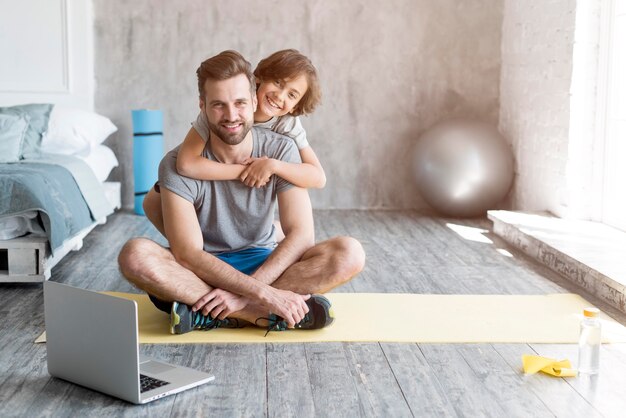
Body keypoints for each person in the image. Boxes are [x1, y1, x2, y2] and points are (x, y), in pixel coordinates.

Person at [118, 50, 365, 335]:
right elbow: (188, 254)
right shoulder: (178, 164)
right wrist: (266, 296)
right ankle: (263, 313)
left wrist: (244, 291)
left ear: (252, 99)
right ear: (203, 106)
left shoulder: (281, 149)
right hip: (203, 268)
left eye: (239, 103)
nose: (231, 115)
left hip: (264, 261)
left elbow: (301, 235)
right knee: (135, 255)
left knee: (349, 253)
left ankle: (207, 310)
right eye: (219, 105)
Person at [142, 49, 325, 238]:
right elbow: (186, 163)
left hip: (251, 189)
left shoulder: (287, 123)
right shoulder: (224, 110)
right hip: (215, 171)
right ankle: (195, 249)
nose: (280, 96)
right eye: (278, 83)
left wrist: (273, 166)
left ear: (295, 107)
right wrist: (245, 171)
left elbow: (318, 177)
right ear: (260, 77)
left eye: (292, 95)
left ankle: (267, 235)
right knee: (152, 201)